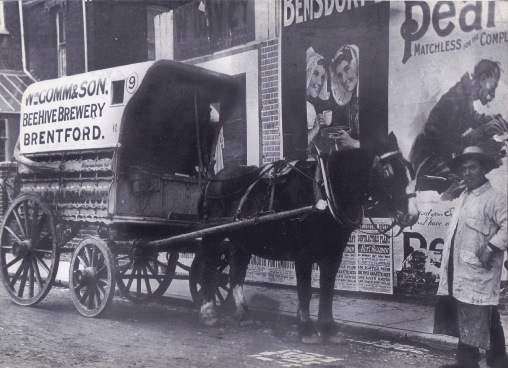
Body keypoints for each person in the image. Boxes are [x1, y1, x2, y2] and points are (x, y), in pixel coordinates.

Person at [435, 146, 507, 368]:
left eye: (472, 167)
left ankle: (498, 362)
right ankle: (466, 361)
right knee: (466, 314)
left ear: (484, 168)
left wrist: (491, 248)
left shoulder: (496, 198)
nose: (467, 172)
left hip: (480, 270)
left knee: (485, 314)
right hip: (459, 268)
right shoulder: (463, 197)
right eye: (463, 169)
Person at [410, 59, 507, 193]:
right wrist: (482, 132)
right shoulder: (455, 100)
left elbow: (471, 116)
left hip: (441, 155)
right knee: (468, 183)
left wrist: (492, 121)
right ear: (483, 79)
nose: (493, 94)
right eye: (493, 86)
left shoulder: (464, 96)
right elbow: (444, 144)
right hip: (430, 161)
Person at [306, 47, 329, 145]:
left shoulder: (310, 108)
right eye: (315, 74)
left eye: (323, 77)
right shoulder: (296, 107)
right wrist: (315, 130)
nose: (320, 82)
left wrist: (320, 129)